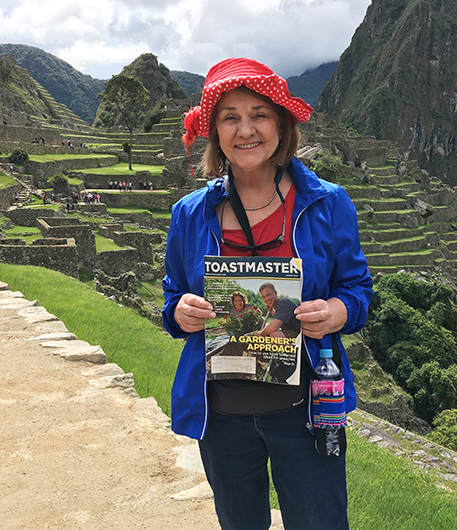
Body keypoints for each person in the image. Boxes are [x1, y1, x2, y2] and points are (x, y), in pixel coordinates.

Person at [162, 57, 373, 530]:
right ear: (215, 132)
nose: (246, 130)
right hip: (221, 417)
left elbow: (357, 288)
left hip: (305, 411)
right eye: (230, 117)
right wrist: (181, 311)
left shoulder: (327, 203)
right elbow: (171, 295)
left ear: (280, 122)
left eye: (259, 114)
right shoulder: (190, 214)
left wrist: (337, 312)